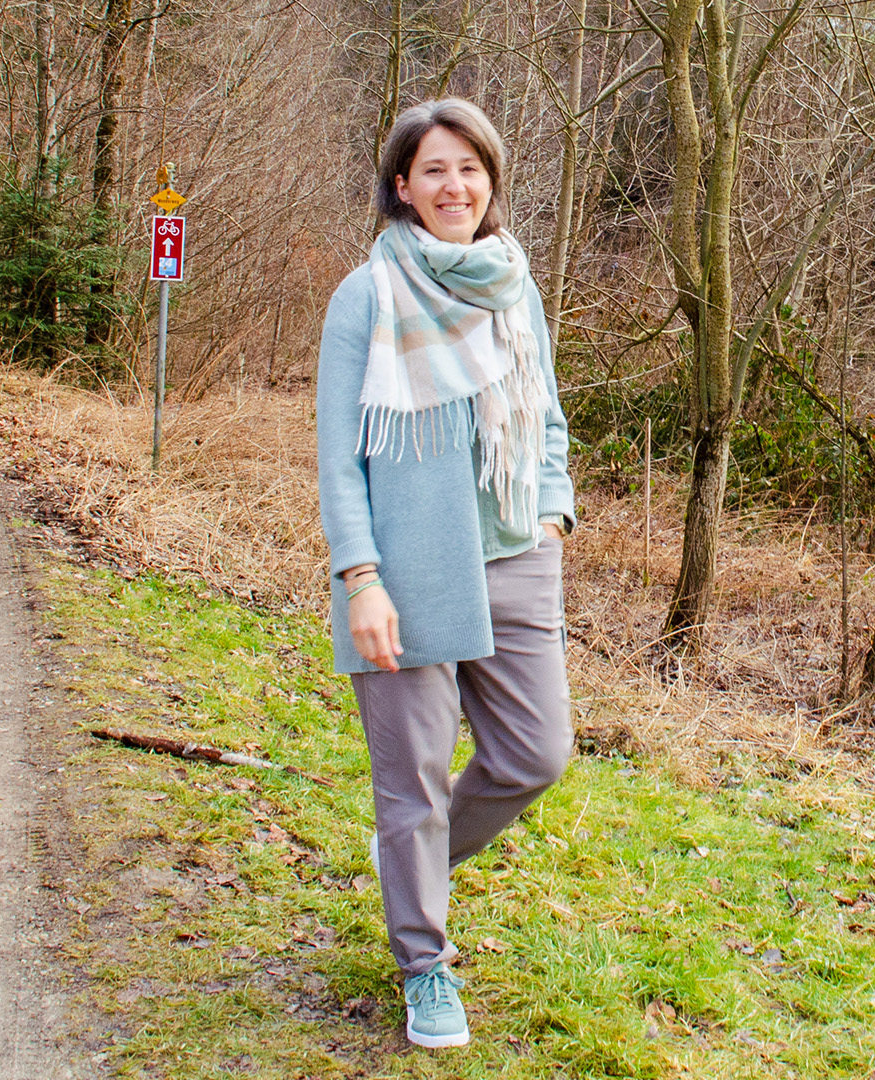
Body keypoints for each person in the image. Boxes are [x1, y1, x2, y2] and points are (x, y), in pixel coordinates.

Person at [315, 98, 576, 1051]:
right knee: (414, 785)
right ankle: (425, 967)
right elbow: (340, 458)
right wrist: (361, 578)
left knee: (534, 755)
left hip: (516, 558)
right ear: (402, 186)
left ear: (491, 182)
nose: (453, 186)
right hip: (407, 573)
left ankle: (407, 864)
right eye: (433, 170)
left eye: (469, 168)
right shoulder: (367, 296)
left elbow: (545, 416)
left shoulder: (514, 286)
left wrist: (551, 512)